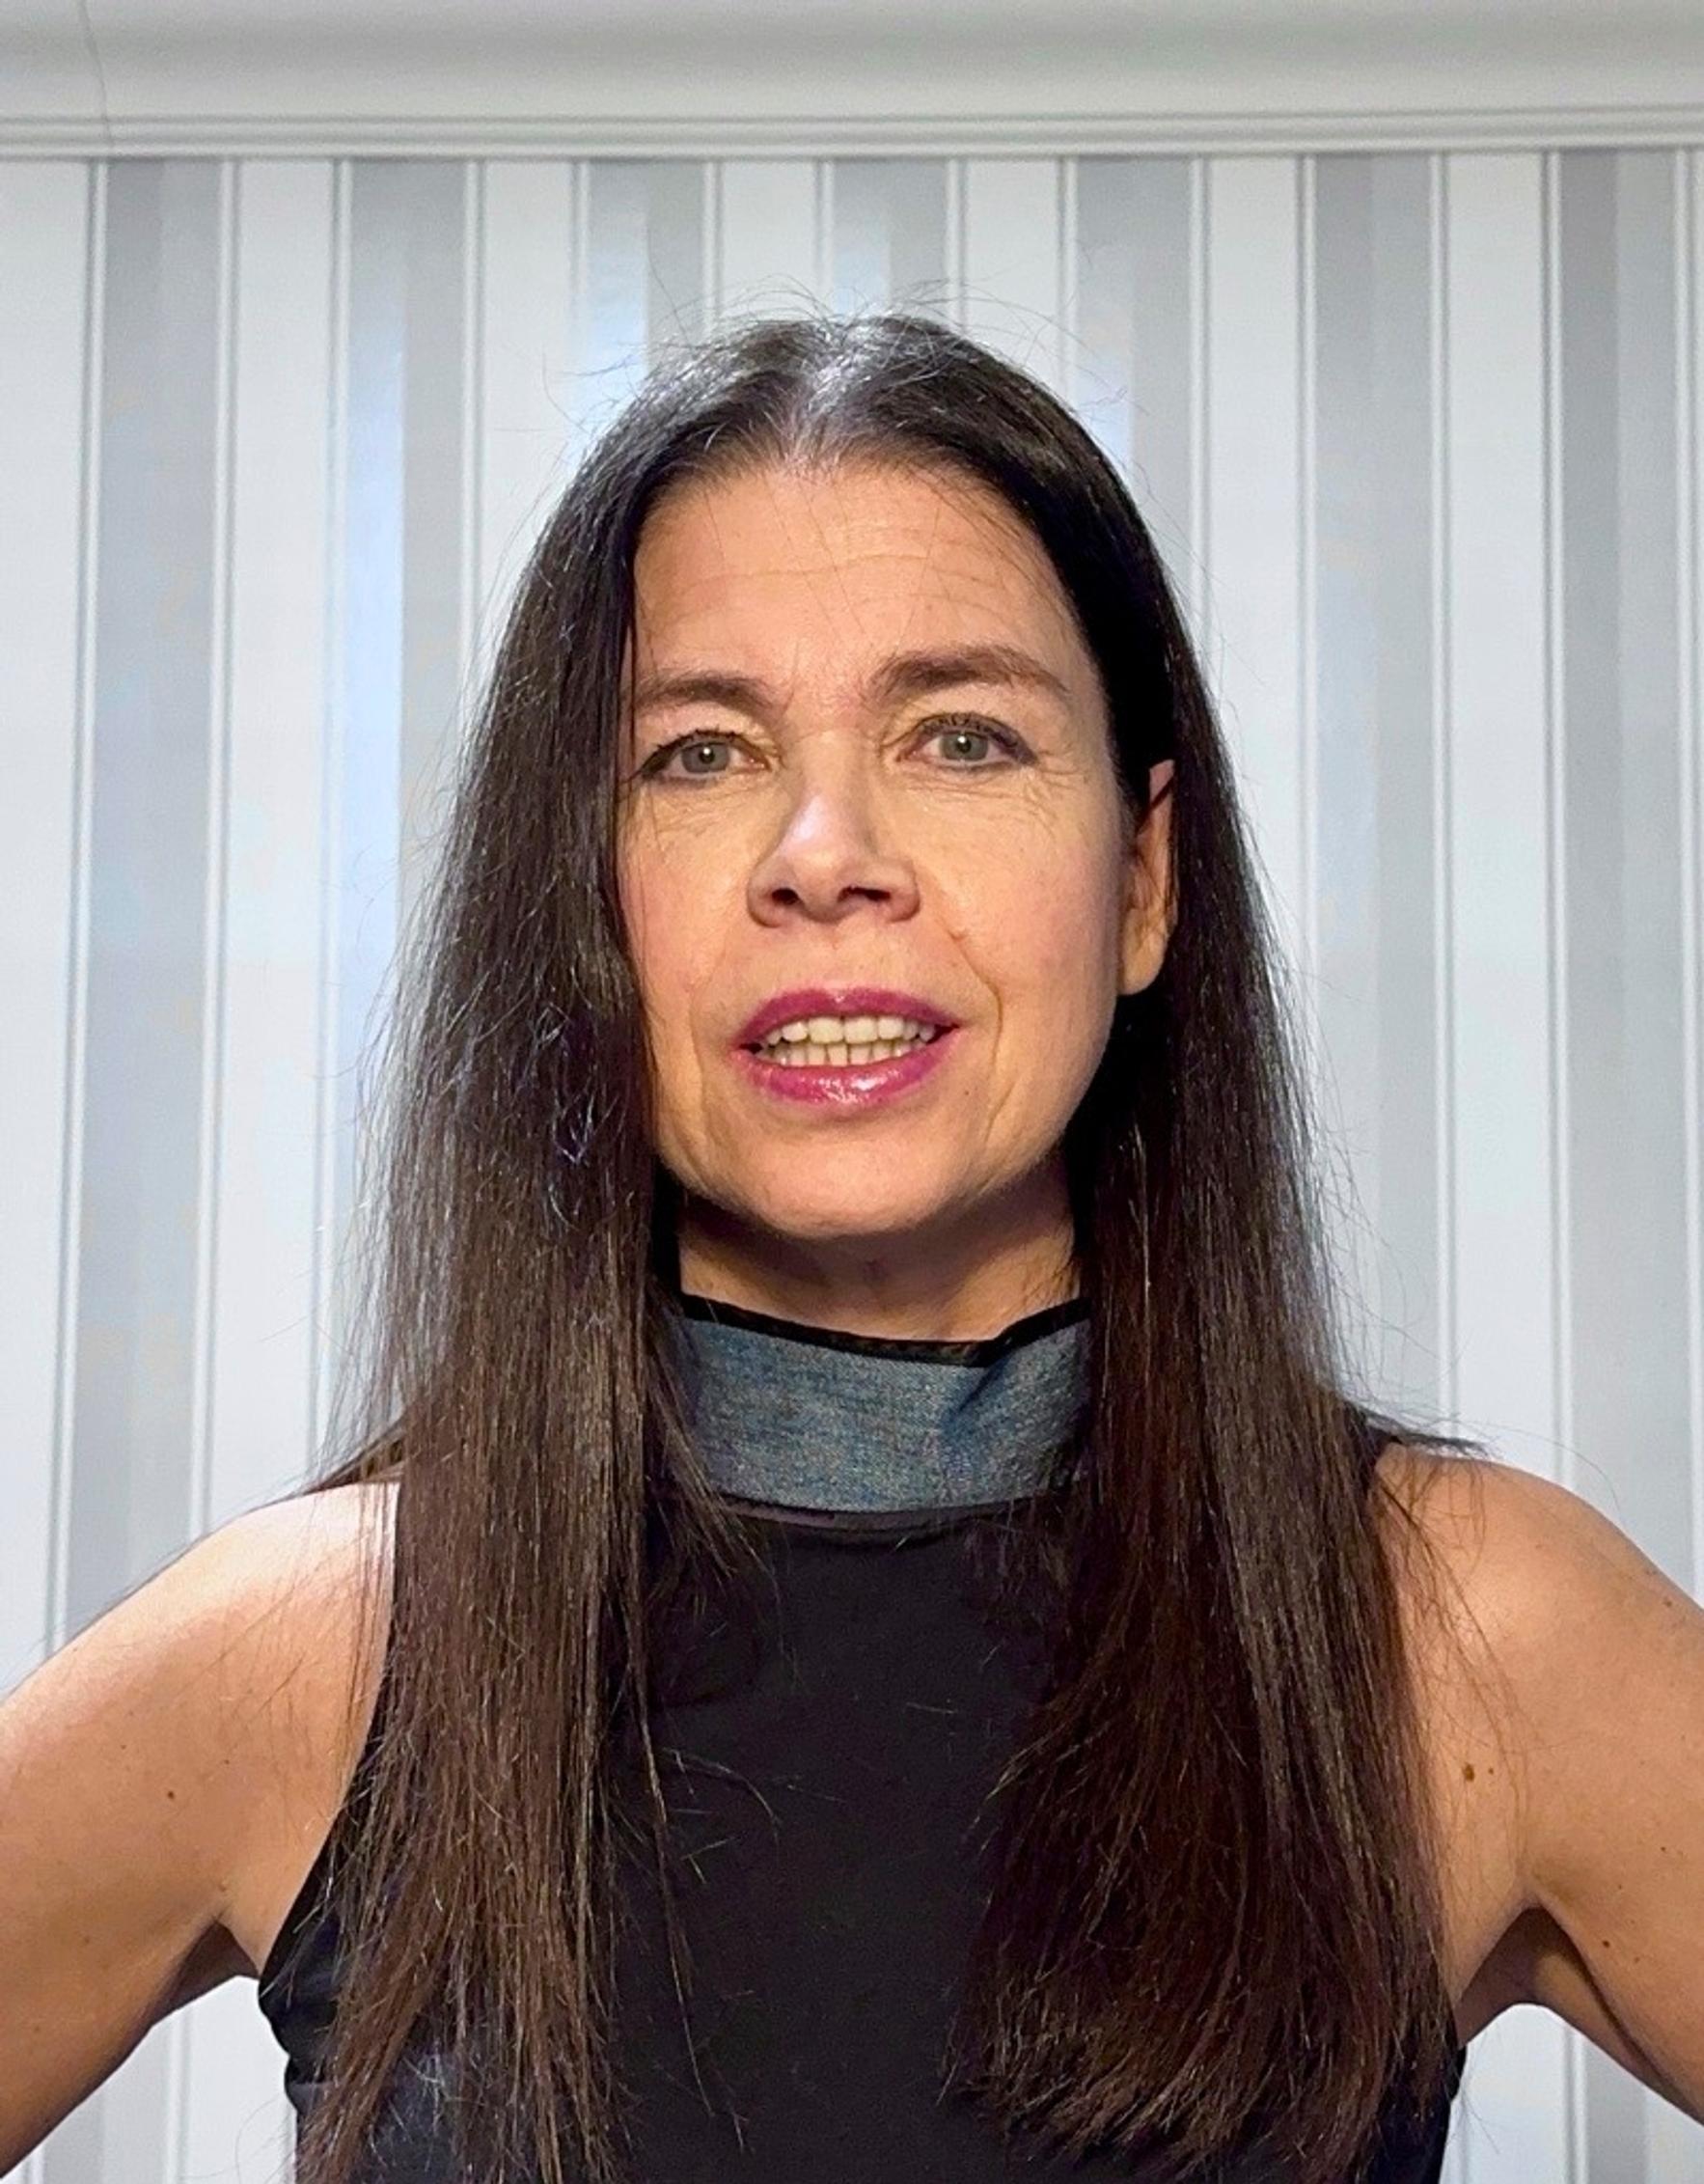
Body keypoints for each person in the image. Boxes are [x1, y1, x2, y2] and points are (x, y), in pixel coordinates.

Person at [6, 310, 1703, 2184]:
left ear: (1143, 877)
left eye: (961, 737)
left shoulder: (1453, 1631)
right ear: (585, 889)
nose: (824, 851)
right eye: (699, 753)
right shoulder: (311, 1652)